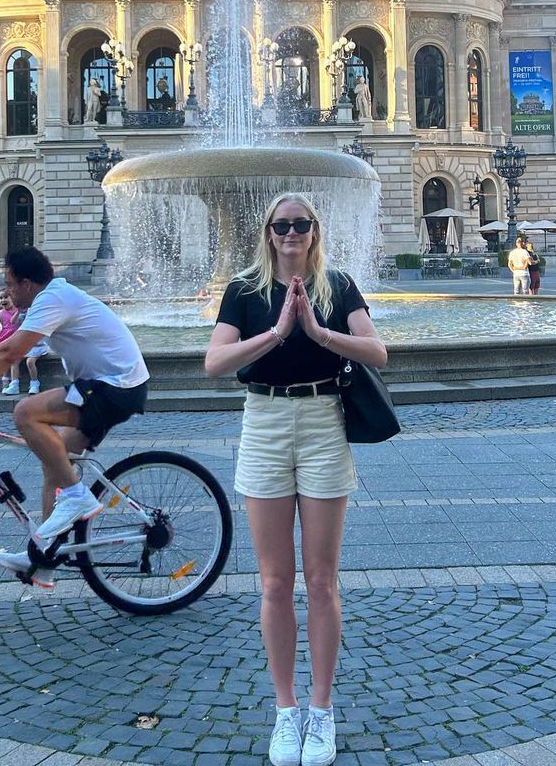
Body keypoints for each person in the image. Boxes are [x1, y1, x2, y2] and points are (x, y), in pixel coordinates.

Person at [205, 193, 387, 766]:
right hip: (263, 422)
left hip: (322, 421)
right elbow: (215, 362)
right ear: (268, 231)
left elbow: (378, 352)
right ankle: (286, 709)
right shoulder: (244, 289)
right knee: (275, 582)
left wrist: (318, 330)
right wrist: (279, 332)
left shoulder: (337, 285)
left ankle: (322, 708)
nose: (291, 233)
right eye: (281, 225)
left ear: (314, 230)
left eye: (301, 224)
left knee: (323, 579)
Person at [0, 246, 149, 587]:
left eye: (10, 284)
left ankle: (77, 497)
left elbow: (10, 353)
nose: (7, 291)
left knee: (25, 412)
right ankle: (44, 556)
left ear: (27, 283)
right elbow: (2, 350)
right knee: (54, 459)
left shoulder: (52, 298)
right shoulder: (51, 297)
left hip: (116, 387)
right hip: (110, 385)